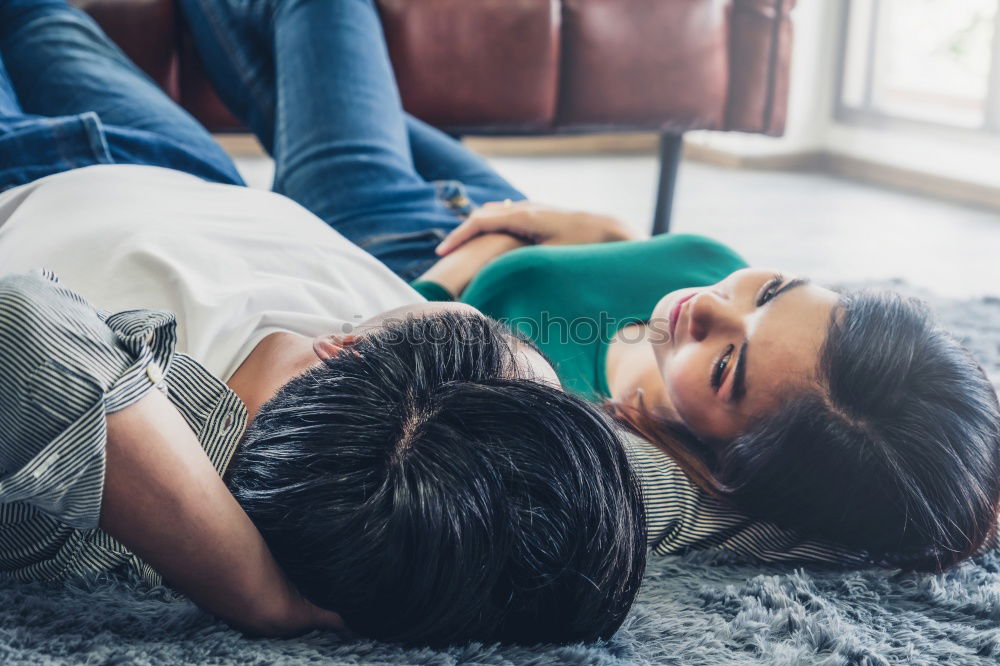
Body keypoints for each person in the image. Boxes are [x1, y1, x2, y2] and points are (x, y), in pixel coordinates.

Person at [174, 0, 1000, 571]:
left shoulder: (564, 420)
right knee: (287, 54)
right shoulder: (744, 327)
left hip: (391, 239)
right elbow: (670, 263)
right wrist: (592, 230)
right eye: (774, 291)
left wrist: (466, 266)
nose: (709, 304)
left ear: (730, 467)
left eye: (724, 368)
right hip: (493, 203)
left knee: (309, 15)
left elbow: (389, 352)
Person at [0, 0, 648, 647]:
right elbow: (705, 499)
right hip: (190, 172)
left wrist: (254, 589)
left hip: (19, 172)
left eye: (501, 332)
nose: (491, 316)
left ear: (344, 346)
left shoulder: (121, 494)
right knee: (44, 19)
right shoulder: (434, 458)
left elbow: (26, 328)